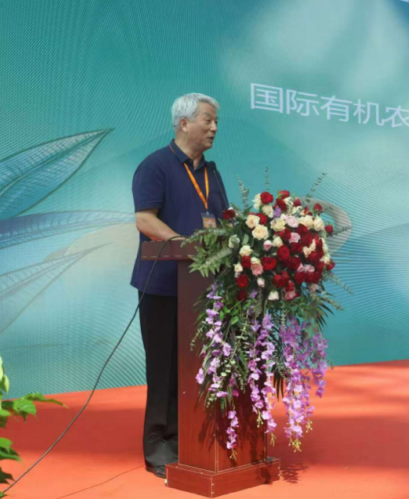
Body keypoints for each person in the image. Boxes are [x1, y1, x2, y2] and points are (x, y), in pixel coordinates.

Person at [130, 93, 229, 479]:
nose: (214, 128)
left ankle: (193, 438)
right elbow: (145, 219)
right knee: (165, 370)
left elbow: (221, 220)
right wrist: (185, 245)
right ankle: (160, 448)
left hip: (204, 289)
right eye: (208, 120)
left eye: (216, 121)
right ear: (184, 123)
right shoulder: (155, 165)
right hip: (162, 286)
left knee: (198, 370)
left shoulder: (211, 173)